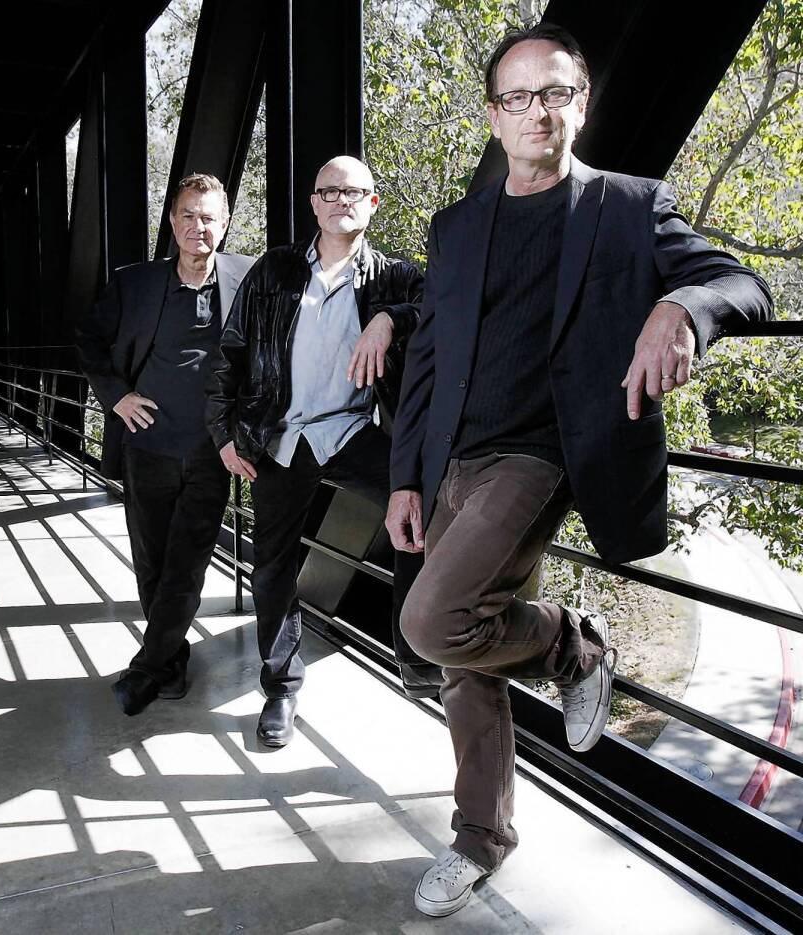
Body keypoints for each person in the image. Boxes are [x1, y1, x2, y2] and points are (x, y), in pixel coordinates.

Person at [386, 24, 773, 918]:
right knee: (462, 658)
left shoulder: (630, 206)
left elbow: (742, 284)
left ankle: (570, 643)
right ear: (494, 115)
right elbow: (430, 361)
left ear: (582, 103)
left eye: (555, 92)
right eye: (518, 96)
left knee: (432, 619)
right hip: (453, 460)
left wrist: (678, 305)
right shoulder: (455, 227)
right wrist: (407, 476)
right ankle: (481, 838)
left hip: (543, 454)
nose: (538, 111)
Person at [206, 155, 437, 748]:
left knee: (421, 510)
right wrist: (224, 433)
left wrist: (390, 317)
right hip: (279, 436)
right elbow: (229, 352)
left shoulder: (392, 278)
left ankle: (414, 656)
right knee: (274, 565)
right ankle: (281, 686)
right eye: (328, 190)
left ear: (372, 204)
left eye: (353, 191)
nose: (340, 200)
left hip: (351, 432)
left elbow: (440, 307)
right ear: (313, 203)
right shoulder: (274, 272)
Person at [76, 173, 255, 716]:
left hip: (211, 449)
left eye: (209, 217)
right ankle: (170, 660)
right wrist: (117, 397)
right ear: (172, 220)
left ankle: (148, 668)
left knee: (188, 563)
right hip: (146, 444)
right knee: (151, 562)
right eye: (188, 215)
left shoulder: (248, 279)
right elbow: (88, 339)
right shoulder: (135, 283)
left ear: (224, 224)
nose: (198, 227)